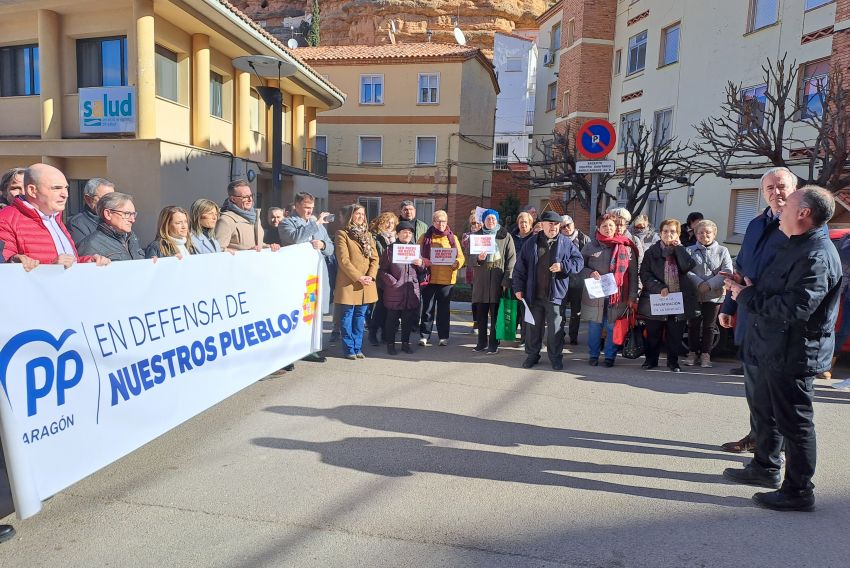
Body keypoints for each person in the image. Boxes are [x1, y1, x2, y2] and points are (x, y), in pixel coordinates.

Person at [723, 186, 841, 512]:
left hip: (794, 351)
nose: (780, 209)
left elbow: (796, 307)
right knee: (766, 413)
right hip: (773, 346)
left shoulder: (817, 254)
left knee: (795, 423)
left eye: (787, 204)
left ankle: (799, 492)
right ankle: (764, 467)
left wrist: (744, 296)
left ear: (803, 213)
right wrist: (747, 287)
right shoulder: (794, 245)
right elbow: (777, 288)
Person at [719, 167, 799, 454]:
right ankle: (757, 437)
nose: (776, 193)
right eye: (769, 188)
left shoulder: (799, 227)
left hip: (777, 321)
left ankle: (772, 455)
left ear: (794, 189)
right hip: (750, 317)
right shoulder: (755, 224)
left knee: (773, 395)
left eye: (781, 186)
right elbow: (742, 268)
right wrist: (729, 304)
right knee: (755, 390)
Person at [0, 163, 109, 268]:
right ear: (32, 190)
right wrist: (52, 268)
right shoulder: (6, 219)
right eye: (56, 188)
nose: (65, 194)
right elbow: (7, 271)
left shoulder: (54, 217)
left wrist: (87, 262)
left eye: (66, 188)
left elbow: (66, 262)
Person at [512, 211, 584, 370]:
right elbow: (519, 269)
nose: (554, 227)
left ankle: (555, 358)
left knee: (555, 330)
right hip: (534, 295)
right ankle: (532, 355)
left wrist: (563, 266)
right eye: (550, 224)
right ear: (542, 224)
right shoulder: (531, 243)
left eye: (557, 224)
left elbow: (579, 262)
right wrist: (518, 288)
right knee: (533, 329)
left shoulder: (566, 243)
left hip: (556, 295)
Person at [279, 191, 335, 365]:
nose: (310, 211)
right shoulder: (287, 222)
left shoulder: (317, 225)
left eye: (312, 208)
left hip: (316, 276)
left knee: (313, 313)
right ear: (296, 206)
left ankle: (311, 348)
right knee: (296, 314)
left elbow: (331, 248)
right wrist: (315, 223)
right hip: (297, 277)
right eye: (306, 207)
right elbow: (295, 238)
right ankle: (289, 353)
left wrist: (323, 244)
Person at [579, 213, 639, 367]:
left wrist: (632, 295)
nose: (608, 228)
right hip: (595, 294)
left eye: (611, 225)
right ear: (598, 228)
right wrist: (590, 273)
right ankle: (593, 355)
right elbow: (579, 266)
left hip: (618, 295)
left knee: (612, 326)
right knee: (594, 326)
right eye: (604, 226)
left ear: (616, 227)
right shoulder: (590, 246)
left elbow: (632, 274)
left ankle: (610, 356)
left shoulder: (626, 246)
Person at [638, 219, 698, 372]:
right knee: (653, 334)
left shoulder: (683, 250)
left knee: (675, 335)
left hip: (677, 300)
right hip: (656, 299)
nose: (668, 234)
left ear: (678, 234)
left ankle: (673, 362)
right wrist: (659, 287)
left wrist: (678, 249)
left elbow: (687, 267)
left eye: (672, 231)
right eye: (665, 231)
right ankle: (651, 360)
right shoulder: (651, 251)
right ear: (660, 233)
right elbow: (644, 273)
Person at [683, 219, 732, 368]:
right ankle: (692, 353)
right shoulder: (689, 250)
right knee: (693, 325)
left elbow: (727, 271)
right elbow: (685, 270)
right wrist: (699, 283)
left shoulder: (722, 251)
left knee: (710, 326)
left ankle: (706, 354)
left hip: (714, 294)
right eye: (701, 232)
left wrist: (710, 285)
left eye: (708, 232)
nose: (705, 235)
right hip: (695, 293)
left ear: (714, 234)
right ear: (696, 234)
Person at [334, 204, 378, 359]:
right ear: (350, 216)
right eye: (357, 213)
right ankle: (349, 348)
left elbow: (375, 258)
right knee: (347, 315)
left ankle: (358, 347)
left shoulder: (368, 235)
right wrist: (359, 276)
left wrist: (371, 276)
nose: (360, 216)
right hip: (349, 282)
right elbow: (343, 260)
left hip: (366, 283)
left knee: (360, 317)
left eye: (362, 214)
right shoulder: (342, 234)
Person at [470, 209, 516, 354]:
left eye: (493, 219)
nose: (491, 221)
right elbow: (469, 258)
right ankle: (481, 342)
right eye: (488, 219)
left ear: (497, 220)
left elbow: (511, 259)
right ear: (483, 221)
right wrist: (478, 258)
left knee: (496, 314)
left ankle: (493, 343)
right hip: (482, 279)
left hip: (498, 278)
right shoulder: (477, 236)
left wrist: (507, 279)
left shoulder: (505, 236)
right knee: (481, 314)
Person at [418, 210, 465, 346]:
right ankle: (424, 335)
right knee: (427, 309)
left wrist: (457, 263)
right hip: (429, 279)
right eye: (438, 221)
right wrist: (423, 260)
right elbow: (417, 254)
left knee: (444, 311)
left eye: (443, 221)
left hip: (447, 280)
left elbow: (461, 257)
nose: (441, 224)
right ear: (433, 222)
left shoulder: (453, 238)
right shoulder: (424, 237)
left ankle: (443, 336)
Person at [380, 219, 425, 355]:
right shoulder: (390, 250)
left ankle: (405, 343)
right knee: (392, 320)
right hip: (395, 291)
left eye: (410, 233)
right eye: (404, 232)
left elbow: (422, 270)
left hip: (410, 291)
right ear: (398, 234)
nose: (407, 235)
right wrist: (393, 282)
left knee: (408, 320)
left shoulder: (414, 249)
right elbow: (382, 270)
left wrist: (420, 264)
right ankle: (390, 344)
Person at [77, 192, 144, 260]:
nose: (132, 220)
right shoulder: (91, 244)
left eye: (133, 214)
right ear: (108, 214)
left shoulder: (131, 238)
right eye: (127, 214)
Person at [215, 179, 277, 252]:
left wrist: (269, 247)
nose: (250, 199)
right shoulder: (226, 220)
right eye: (245, 197)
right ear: (233, 199)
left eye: (251, 195)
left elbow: (258, 245)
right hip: (238, 263)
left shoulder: (255, 217)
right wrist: (247, 253)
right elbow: (219, 250)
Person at [368, 211, 398, 346]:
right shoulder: (374, 237)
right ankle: (373, 333)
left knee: (389, 308)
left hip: (393, 278)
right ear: (381, 223)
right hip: (380, 277)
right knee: (378, 308)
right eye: (387, 222)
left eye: (392, 223)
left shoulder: (397, 238)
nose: (390, 225)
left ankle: (386, 334)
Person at [560, 214, 591, 345]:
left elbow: (589, 261)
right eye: (563, 227)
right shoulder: (558, 239)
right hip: (562, 280)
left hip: (578, 281)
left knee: (576, 311)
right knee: (560, 311)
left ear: (573, 224)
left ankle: (573, 336)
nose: (566, 228)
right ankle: (559, 335)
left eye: (568, 225)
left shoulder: (584, 239)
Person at [510, 211, 536, 344]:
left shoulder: (535, 238)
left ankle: (525, 338)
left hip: (528, 278)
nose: (523, 224)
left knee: (526, 309)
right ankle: (511, 333)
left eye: (526, 222)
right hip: (513, 277)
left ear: (531, 224)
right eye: (521, 222)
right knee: (515, 308)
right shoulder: (512, 237)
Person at [67, 177, 115, 245]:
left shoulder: (116, 218)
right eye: (105, 199)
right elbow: (85, 250)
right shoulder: (76, 224)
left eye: (113, 198)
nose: (110, 203)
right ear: (88, 199)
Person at [462, 212, 483, 334]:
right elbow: (466, 244)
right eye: (473, 222)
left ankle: (483, 322)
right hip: (473, 272)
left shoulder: (488, 235)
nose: (476, 225)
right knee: (475, 299)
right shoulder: (467, 236)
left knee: (485, 300)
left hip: (485, 272)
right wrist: (476, 234)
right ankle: (476, 323)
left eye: (478, 222)